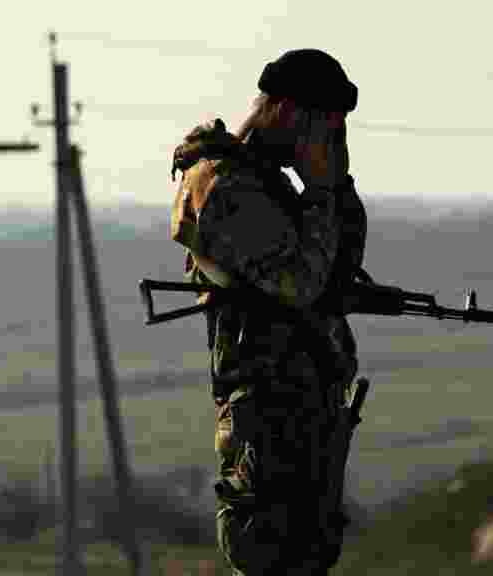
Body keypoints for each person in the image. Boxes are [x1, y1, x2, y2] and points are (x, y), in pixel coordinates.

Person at [170, 49, 363, 575]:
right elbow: (299, 283)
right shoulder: (220, 183)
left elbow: (337, 268)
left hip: (304, 413)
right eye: (321, 126)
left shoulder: (269, 185)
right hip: (266, 423)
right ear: (285, 110)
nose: (323, 141)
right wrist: (322, 191)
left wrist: (337, 186)